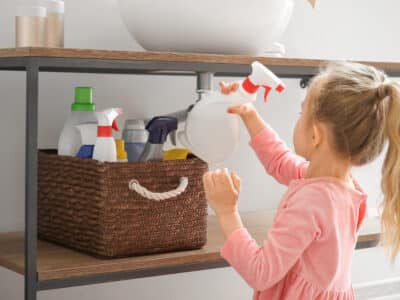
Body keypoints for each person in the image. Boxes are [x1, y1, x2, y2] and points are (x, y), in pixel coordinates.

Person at [202, 61, 400, 299]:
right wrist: (249, 114)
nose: (299, 117)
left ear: (315, 135)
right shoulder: (342, 185)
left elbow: (260, 272)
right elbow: (280, 160)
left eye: (301, 112)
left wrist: (226, 212)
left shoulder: (312, 201)